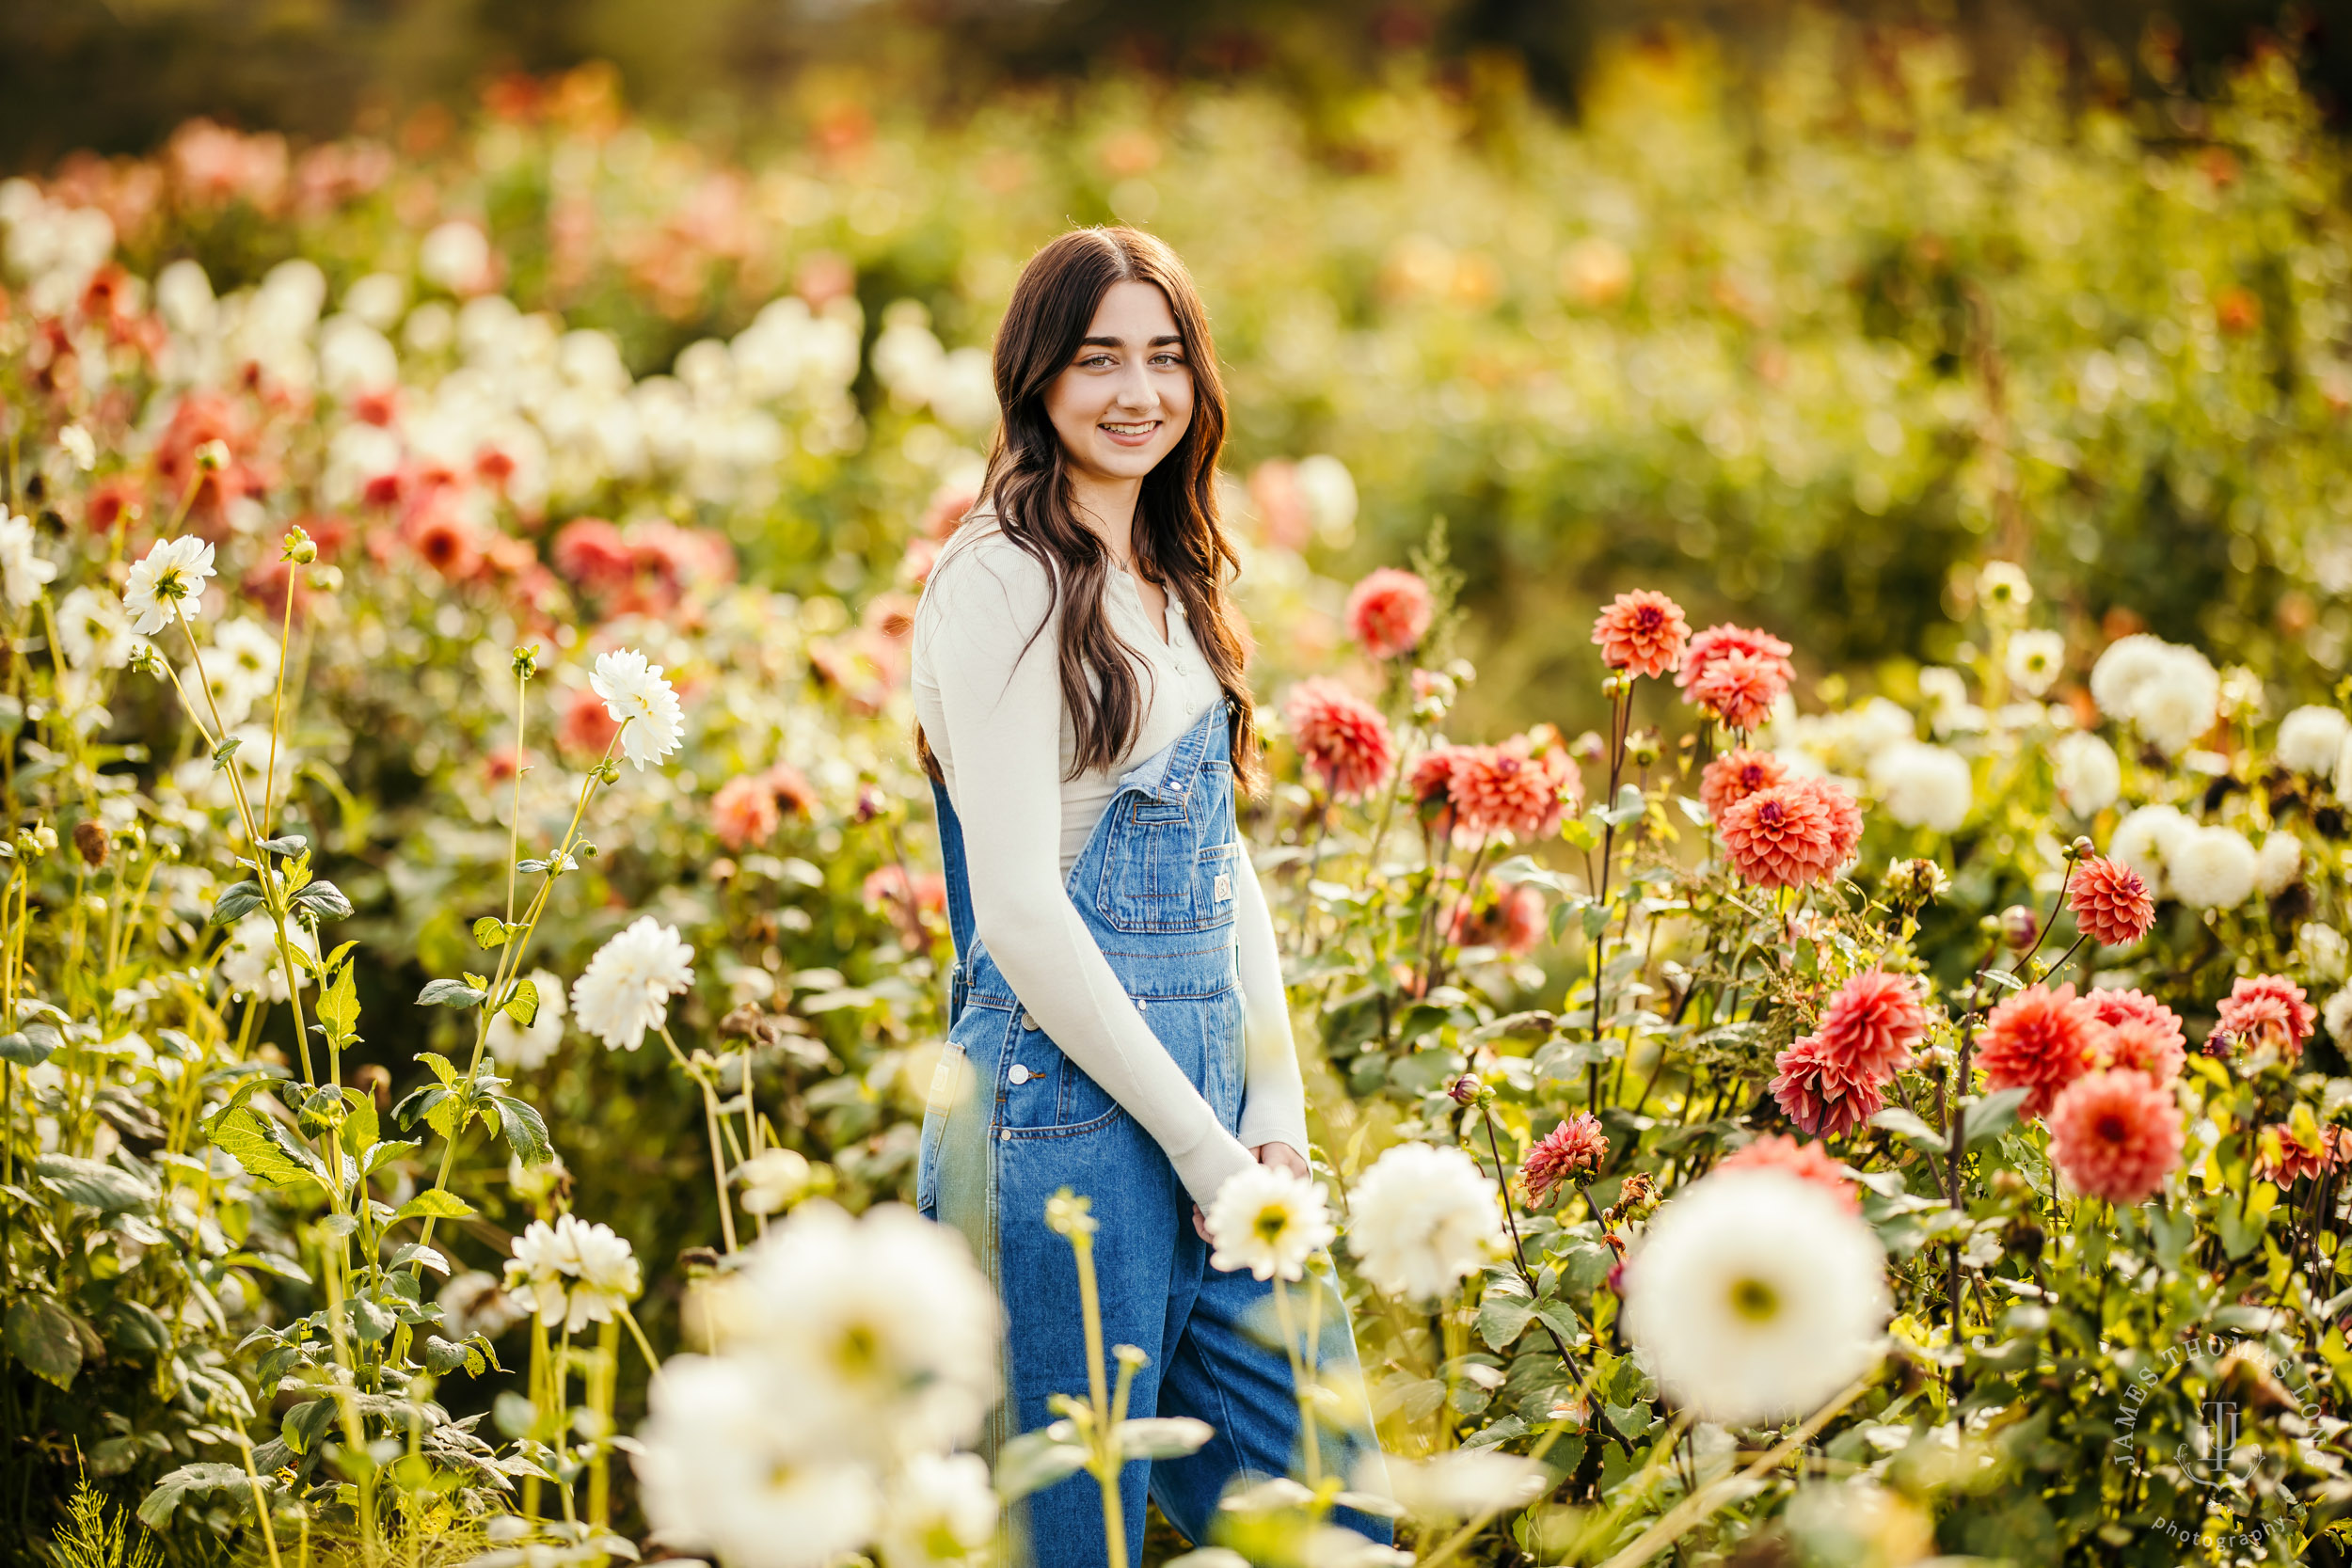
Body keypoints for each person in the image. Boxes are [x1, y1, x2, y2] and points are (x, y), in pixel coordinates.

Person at [908, 226, 1392, 1564]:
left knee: (1340, 1522)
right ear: (1038, 379)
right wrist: (1200, 1147)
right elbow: (1015, 908)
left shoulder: (1170, 577)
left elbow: (1220, 862)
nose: (1138, 392)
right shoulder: (1003, 577)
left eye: (1166, 358)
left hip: (1213, 1116)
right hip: (1058, 1112)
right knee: (1077, 1535)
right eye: (1099, 357)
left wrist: (1272, 1119)